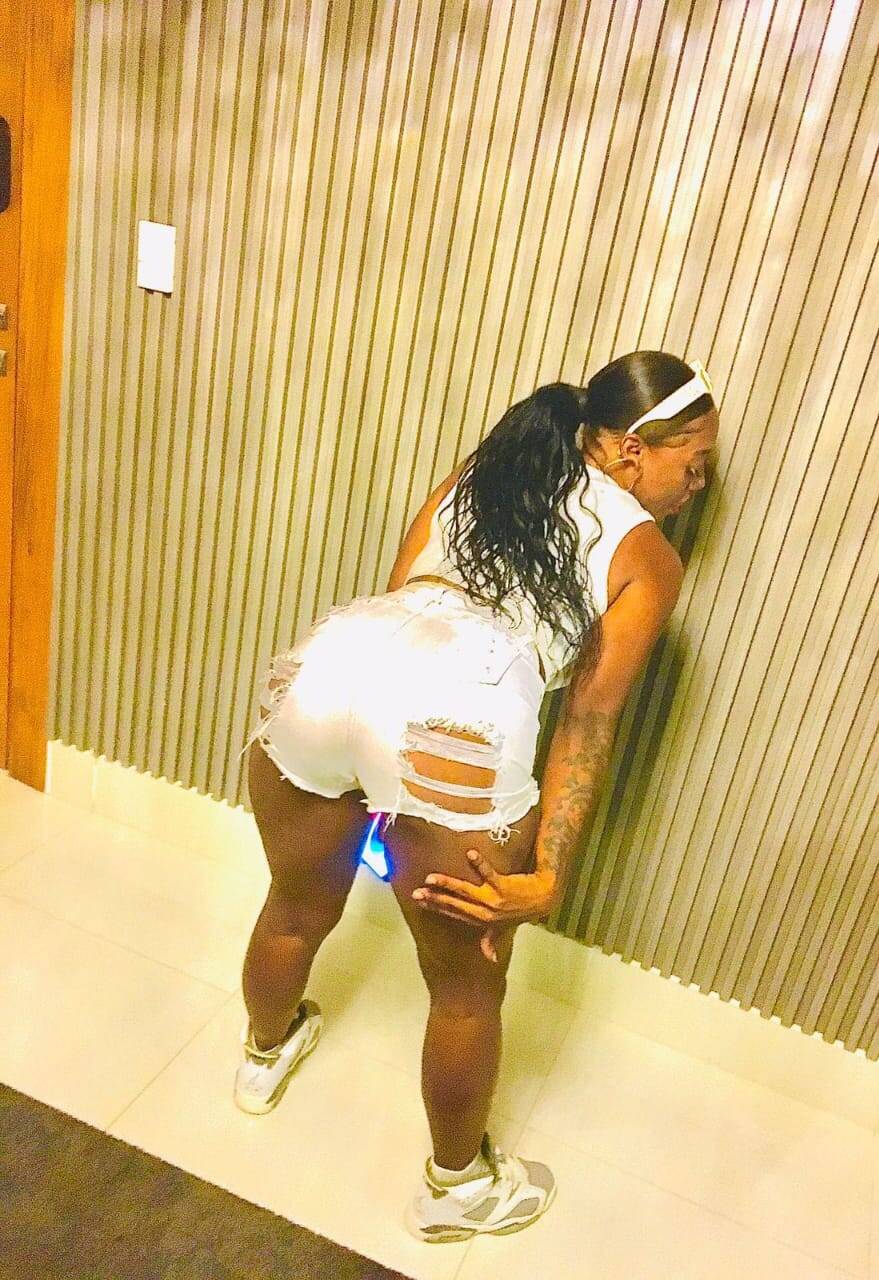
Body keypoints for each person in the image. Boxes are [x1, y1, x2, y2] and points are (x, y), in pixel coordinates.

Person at [231, 350, 719, 1243]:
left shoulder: (484, 470)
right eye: (693, 465)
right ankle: (454, 1191)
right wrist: (549, 874)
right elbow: (587, 724)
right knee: (464, 994)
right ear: (631, 448)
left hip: (334, 665)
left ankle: (263, 1053)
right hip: (456, 711)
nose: (695, 488)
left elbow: (403, 589)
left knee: (294, 905)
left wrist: (381, 773)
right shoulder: (646, 557)